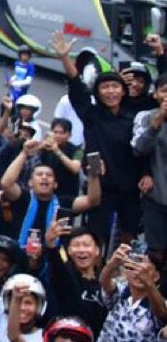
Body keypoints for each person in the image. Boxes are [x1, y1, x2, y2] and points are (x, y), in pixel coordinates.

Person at [52, 31, 141, 248]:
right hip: (100, 186)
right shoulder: (92, 115)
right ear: (98, 92)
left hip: (130, 186)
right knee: (96, 237)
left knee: (129, 237)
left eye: (115, 87)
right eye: (105, 87)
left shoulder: (134, 116)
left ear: (123, 91)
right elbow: (77, 88)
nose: (111, 92)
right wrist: (65, 58)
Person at [131, 73, 167, 264]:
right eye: (164, 91)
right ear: (155, 94)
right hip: (156, 198)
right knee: (155, 254)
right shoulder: (146, 117)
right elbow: (139, 150)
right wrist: (157, 122)